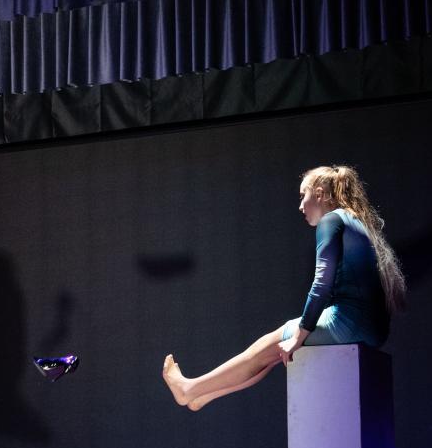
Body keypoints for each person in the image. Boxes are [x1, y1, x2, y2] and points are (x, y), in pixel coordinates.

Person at [162, 165, 407, 411]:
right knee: (271, 355)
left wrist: (300, 334)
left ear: (319, 194)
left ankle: (189, 389)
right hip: (373, 331)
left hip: (347, 323)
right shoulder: (356, 221)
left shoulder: (331, 220)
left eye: (303, 196)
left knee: (267, 346)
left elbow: (321, 284)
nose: (300, 206)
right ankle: (203, 396)